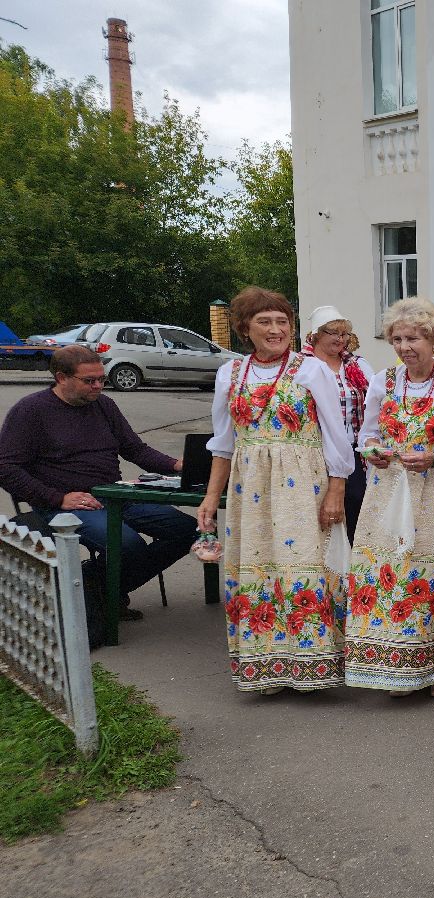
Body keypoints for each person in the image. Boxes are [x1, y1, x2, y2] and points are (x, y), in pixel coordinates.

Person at [198, 287, 355, 694]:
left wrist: (336, 491)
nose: (275, 329)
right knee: (258, 567)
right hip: (250, 488)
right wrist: (211, 499)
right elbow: (223, 444)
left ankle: (313, 664)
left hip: (303, 484)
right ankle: (267, 664)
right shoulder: (229, 374)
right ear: (244, 328)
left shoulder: (312, 369)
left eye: (282, 321)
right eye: (264, 321)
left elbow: (338, 437)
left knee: (306, 565)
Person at [345, 297, 434, 700]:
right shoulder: (382, 382)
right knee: (392, 575)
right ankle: (399, 664)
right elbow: (366, 436)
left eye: (415, 338)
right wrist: (374, 451)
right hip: (388, 490)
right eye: (399, 339)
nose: (406, 347)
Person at [0, 343, 195, 620]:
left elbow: (134, 449)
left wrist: (178, 466)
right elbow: (6, 468)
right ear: (61, 377)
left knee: (190, 530)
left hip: (115, 495)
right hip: (65, 503)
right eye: (89, 381)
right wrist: (58, 498)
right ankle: (101, 594)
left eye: (101, 379)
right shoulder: (31, 411)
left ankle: (95, 588)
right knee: (127, 546)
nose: (97, 386)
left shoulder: (104, 406)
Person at [303, 306, 375, 541]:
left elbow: (375, 404)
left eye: (344, 334)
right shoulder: (302, 366)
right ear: (316, 334)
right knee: (316, 509)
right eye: (333, 332)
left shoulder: (358, 366)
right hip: (314, 451)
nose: (340, 339)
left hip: (353, 450)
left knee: (356, 503)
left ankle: (352, 565)